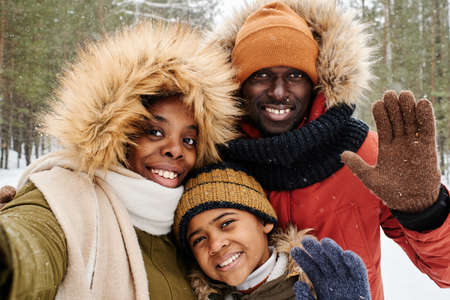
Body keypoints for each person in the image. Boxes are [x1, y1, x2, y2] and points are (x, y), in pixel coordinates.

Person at [209, 1, 450, 299]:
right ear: (237, 84)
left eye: (295, 76)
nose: (279, 91)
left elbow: (446, 272)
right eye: (261, 75)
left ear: (316, 82)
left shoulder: (362, 153)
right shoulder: (216, 162)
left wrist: (427, 212)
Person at [0, 21, 241, 299]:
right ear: (118, 134)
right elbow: (28, 250)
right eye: (154, 131)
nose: (175, 150)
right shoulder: (63, 197)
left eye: (189, 140)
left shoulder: (191, 228)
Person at [173, 163, 371, 300]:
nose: (215, 244)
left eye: (226, 224)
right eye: (199, 239)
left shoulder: (316, 287)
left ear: (264, 221)